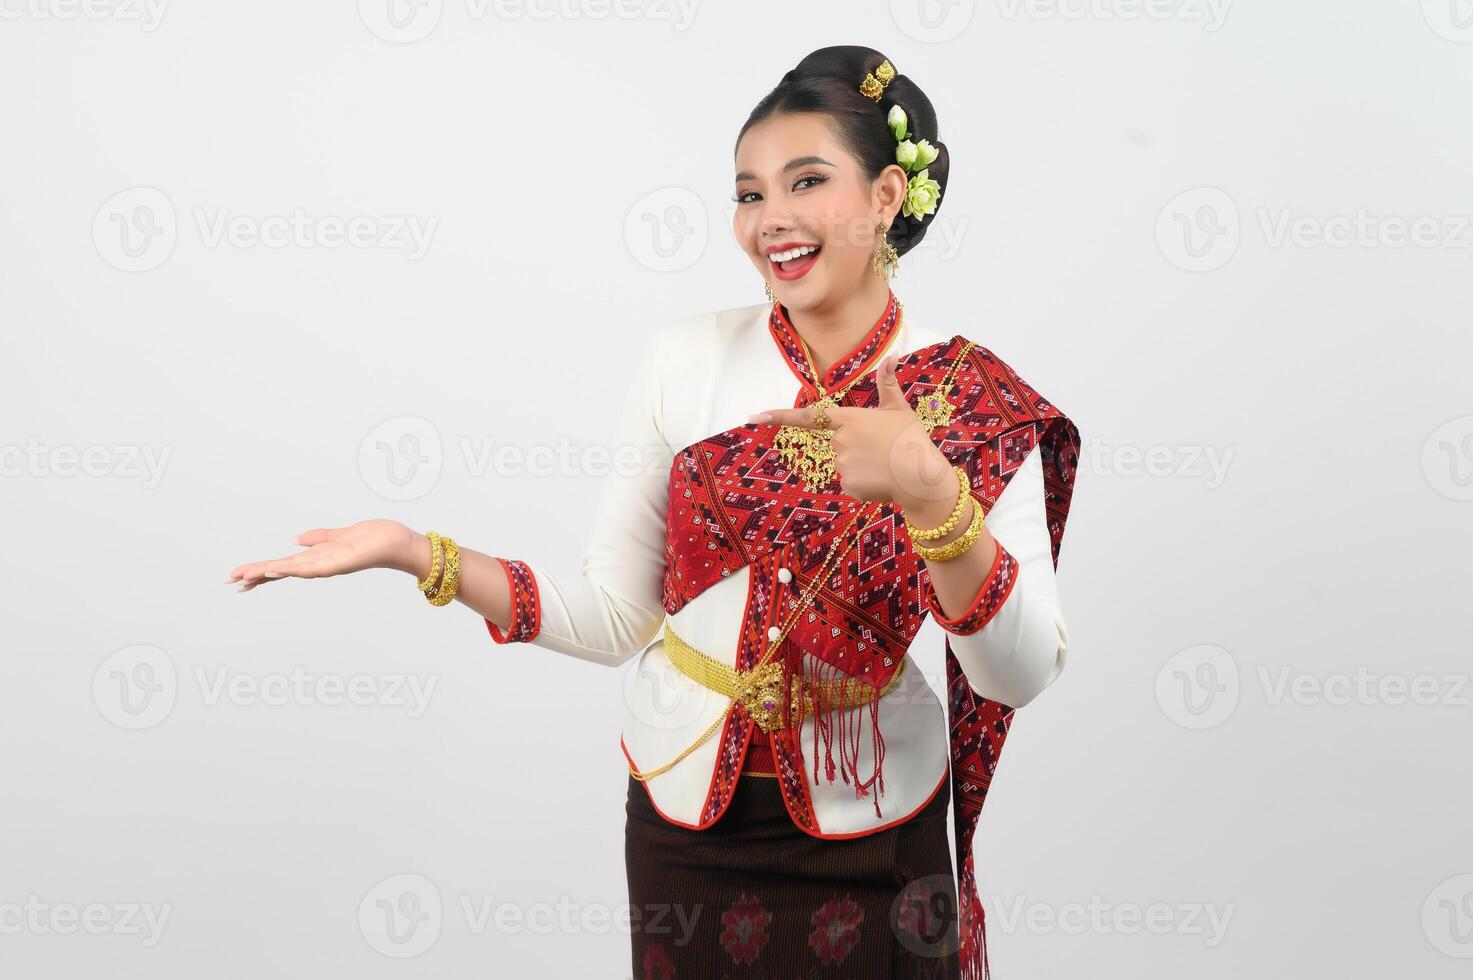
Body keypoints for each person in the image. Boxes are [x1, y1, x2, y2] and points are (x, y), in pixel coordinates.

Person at [227, 44, 1081, 980]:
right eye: (749, 193)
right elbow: (616, 618)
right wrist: (412, 552)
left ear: (886, 196)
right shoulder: (684, 359)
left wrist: (931, 493)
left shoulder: (969, 394)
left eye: (806, 181)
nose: (771, 221)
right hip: (683, 826)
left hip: (879, 827)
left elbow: (1018, 674)